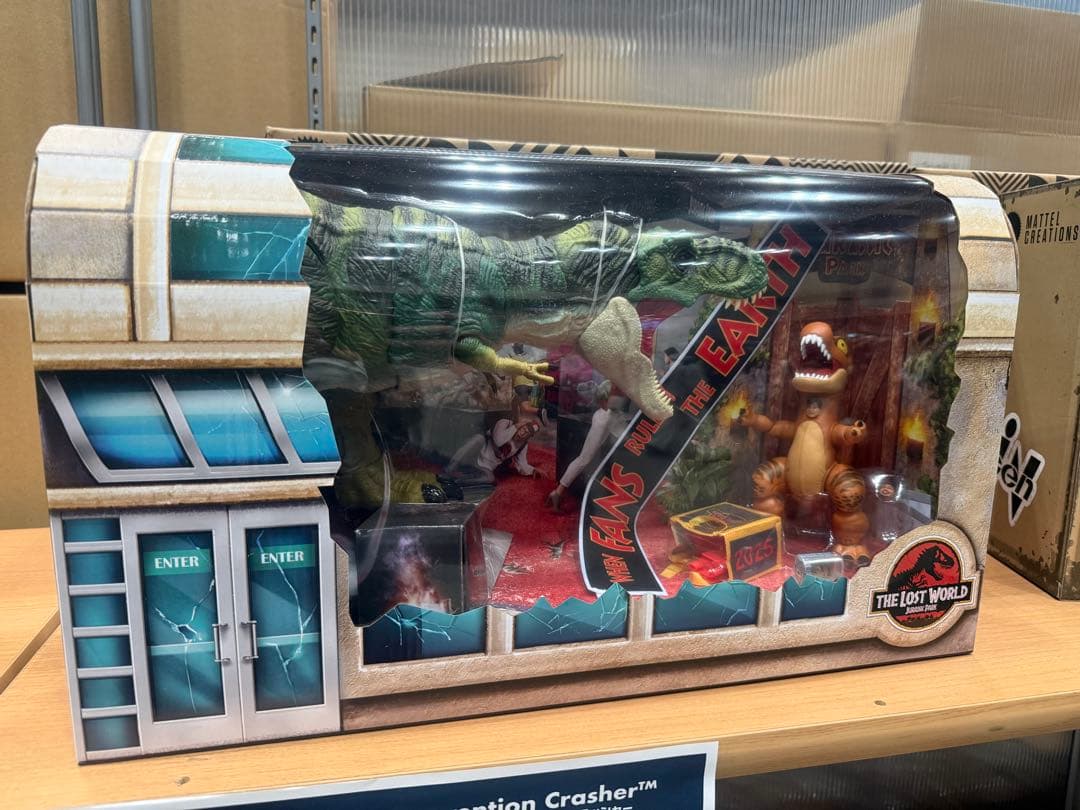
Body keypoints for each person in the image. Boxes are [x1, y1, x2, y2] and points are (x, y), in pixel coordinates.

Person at [547, 381, 614, 512]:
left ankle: (558, 493)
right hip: (602, 420)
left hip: (602, 418)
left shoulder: (606, 411)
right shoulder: (606, 415)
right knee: (584, 459)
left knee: (586, 460)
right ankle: (558, 493)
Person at [446, 417, 542, 483]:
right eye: (523, 429)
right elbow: (498, 441)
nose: (523, 433)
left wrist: (533, 470)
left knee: (490, 478)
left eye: (527, 434)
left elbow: (522, 463)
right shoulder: (505, 423)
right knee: (478, 439)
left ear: (529, 437)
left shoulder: (523, 445)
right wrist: (515, 426)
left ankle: (460, 481)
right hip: (475, 455)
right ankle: (450, 468)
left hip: (486, 467)